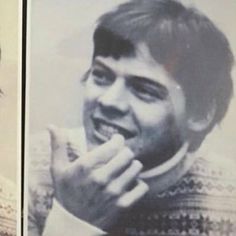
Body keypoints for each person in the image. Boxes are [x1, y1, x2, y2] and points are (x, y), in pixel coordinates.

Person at [28, 0, 236, 235]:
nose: (108, 101)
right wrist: (71, 220)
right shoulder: (31, 171)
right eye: (101, 76)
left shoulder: (230, 199)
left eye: (144, 90)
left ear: (199, 114)